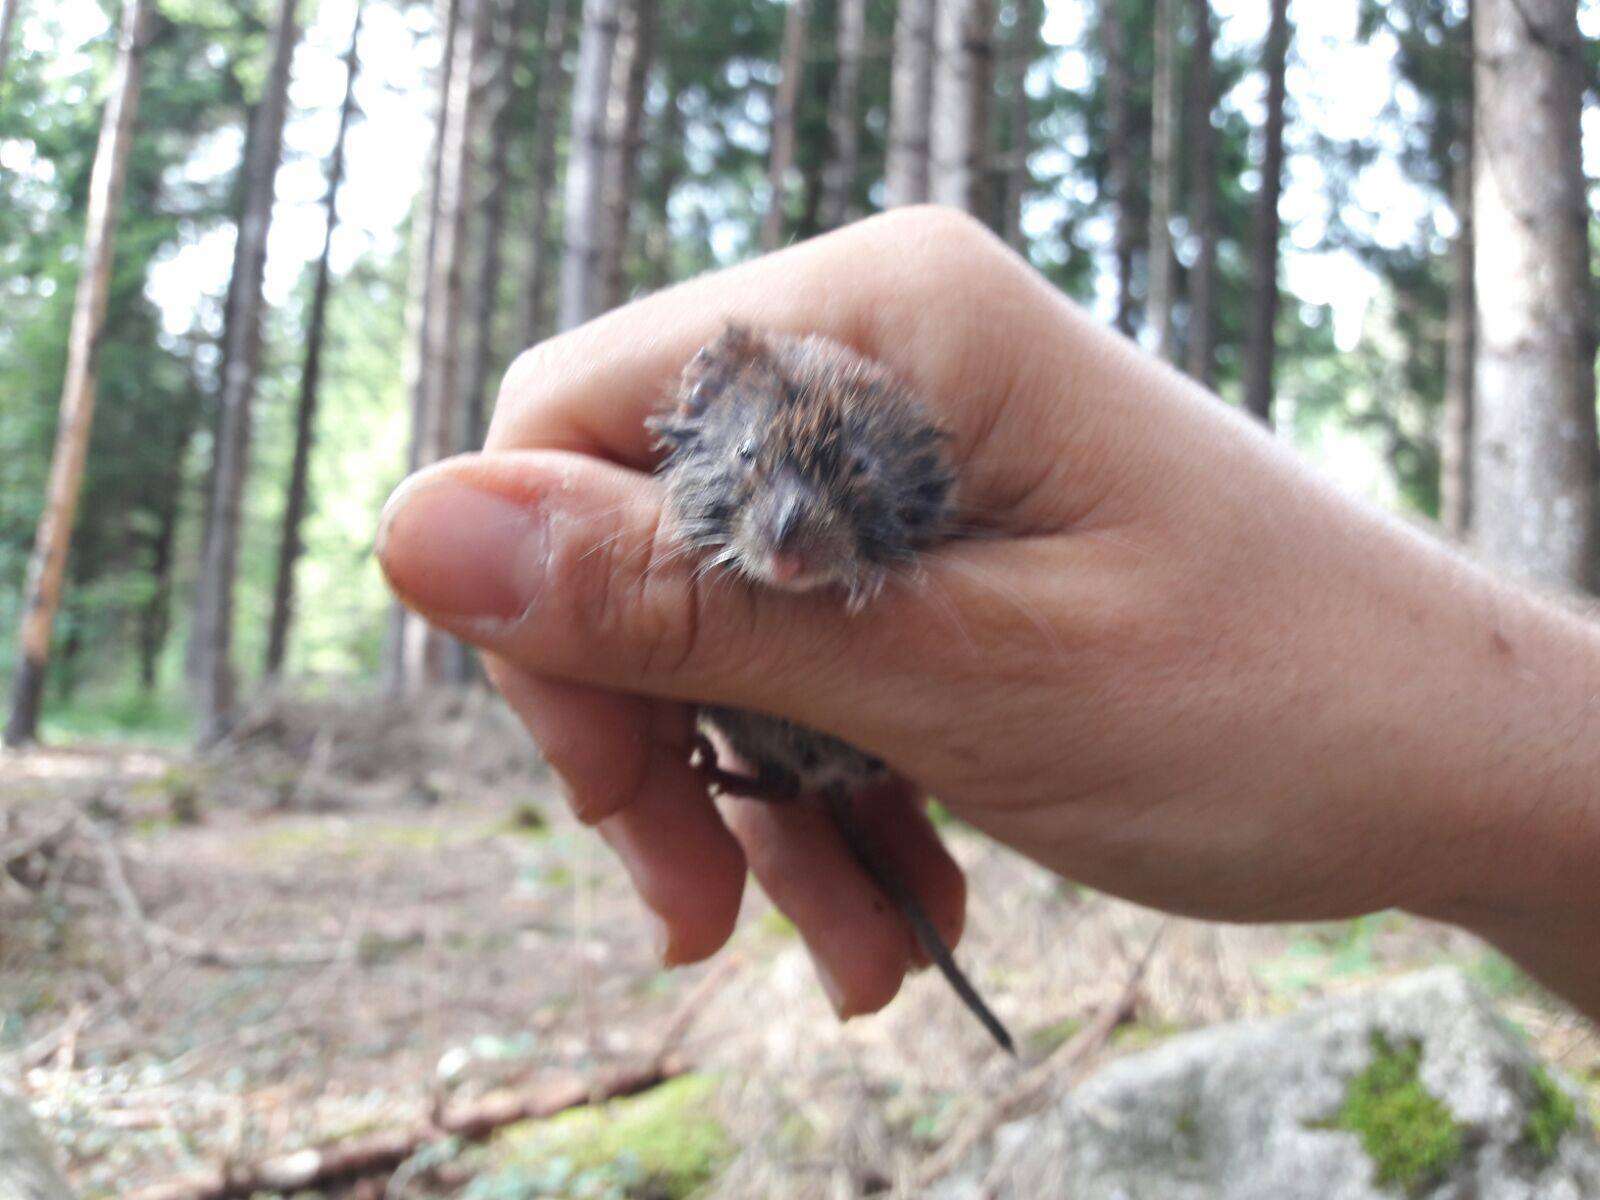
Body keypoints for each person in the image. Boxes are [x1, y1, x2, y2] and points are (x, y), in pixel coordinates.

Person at [378, 208, 1600, 1024]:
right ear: (703, 441)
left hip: (852, 743)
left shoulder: (929, 529)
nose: (794, 528)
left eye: (840, 486)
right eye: (758, 482)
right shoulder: (696, 449)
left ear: (895, 473)